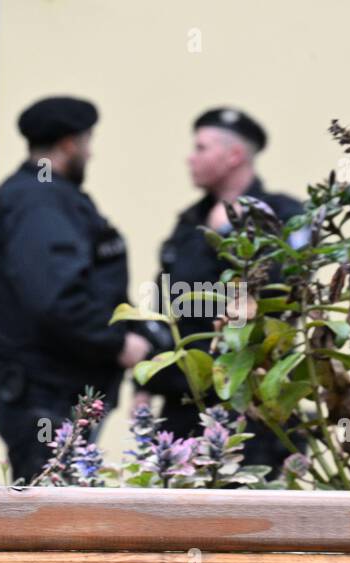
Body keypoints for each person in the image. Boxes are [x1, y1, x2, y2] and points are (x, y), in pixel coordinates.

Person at [0, 96, 149, 483]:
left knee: (55, 511)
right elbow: (54, 298)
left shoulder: (30, 196)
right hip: (48, 396)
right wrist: (118, 343)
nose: (90, 153)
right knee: (52, 521)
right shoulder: (39, 201)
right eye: (87, 143)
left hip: (47, 392)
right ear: (70, 144)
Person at [141, 108, 304, 468]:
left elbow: (279, 294)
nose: (190, 157)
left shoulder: (282, 214)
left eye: (201, 148)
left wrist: (233, 236)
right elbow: (162, 304)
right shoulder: (190, 221)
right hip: (184, 404)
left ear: (234, 156)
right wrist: (143, 382)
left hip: (254, 404)